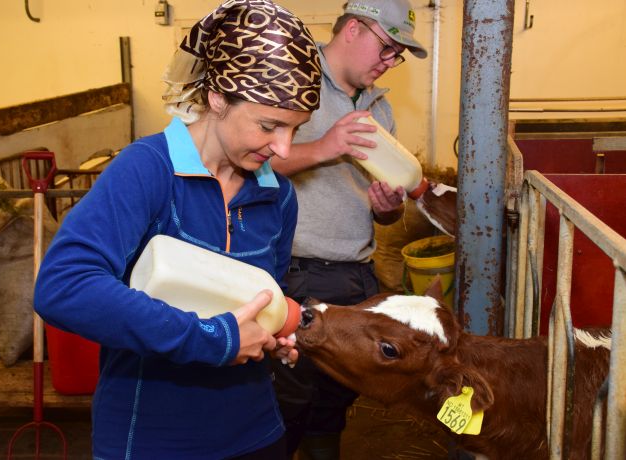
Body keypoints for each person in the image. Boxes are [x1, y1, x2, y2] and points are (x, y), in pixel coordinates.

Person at [33, 1, 322, 458]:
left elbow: (257, 297)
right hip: (153, 439)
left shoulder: (278, 196)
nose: (284, 148)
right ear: (218, 98)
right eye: (269, 125)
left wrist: (271, 335)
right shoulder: (146, 171)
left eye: (295, 130)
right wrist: (215, 339)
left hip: (257, 432)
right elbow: (63, 287)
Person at [268, 0, 428, 458]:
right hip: (296, 269)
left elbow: (386, 211)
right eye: (388, 47)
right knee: (289, 395)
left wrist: (386, 210)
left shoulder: (381, 107)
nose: (389, 62)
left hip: (356, 271)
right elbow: (254, 159)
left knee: (336, 395)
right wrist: (324, 146)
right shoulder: (292, 77)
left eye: (397, 55)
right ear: (354, 29)